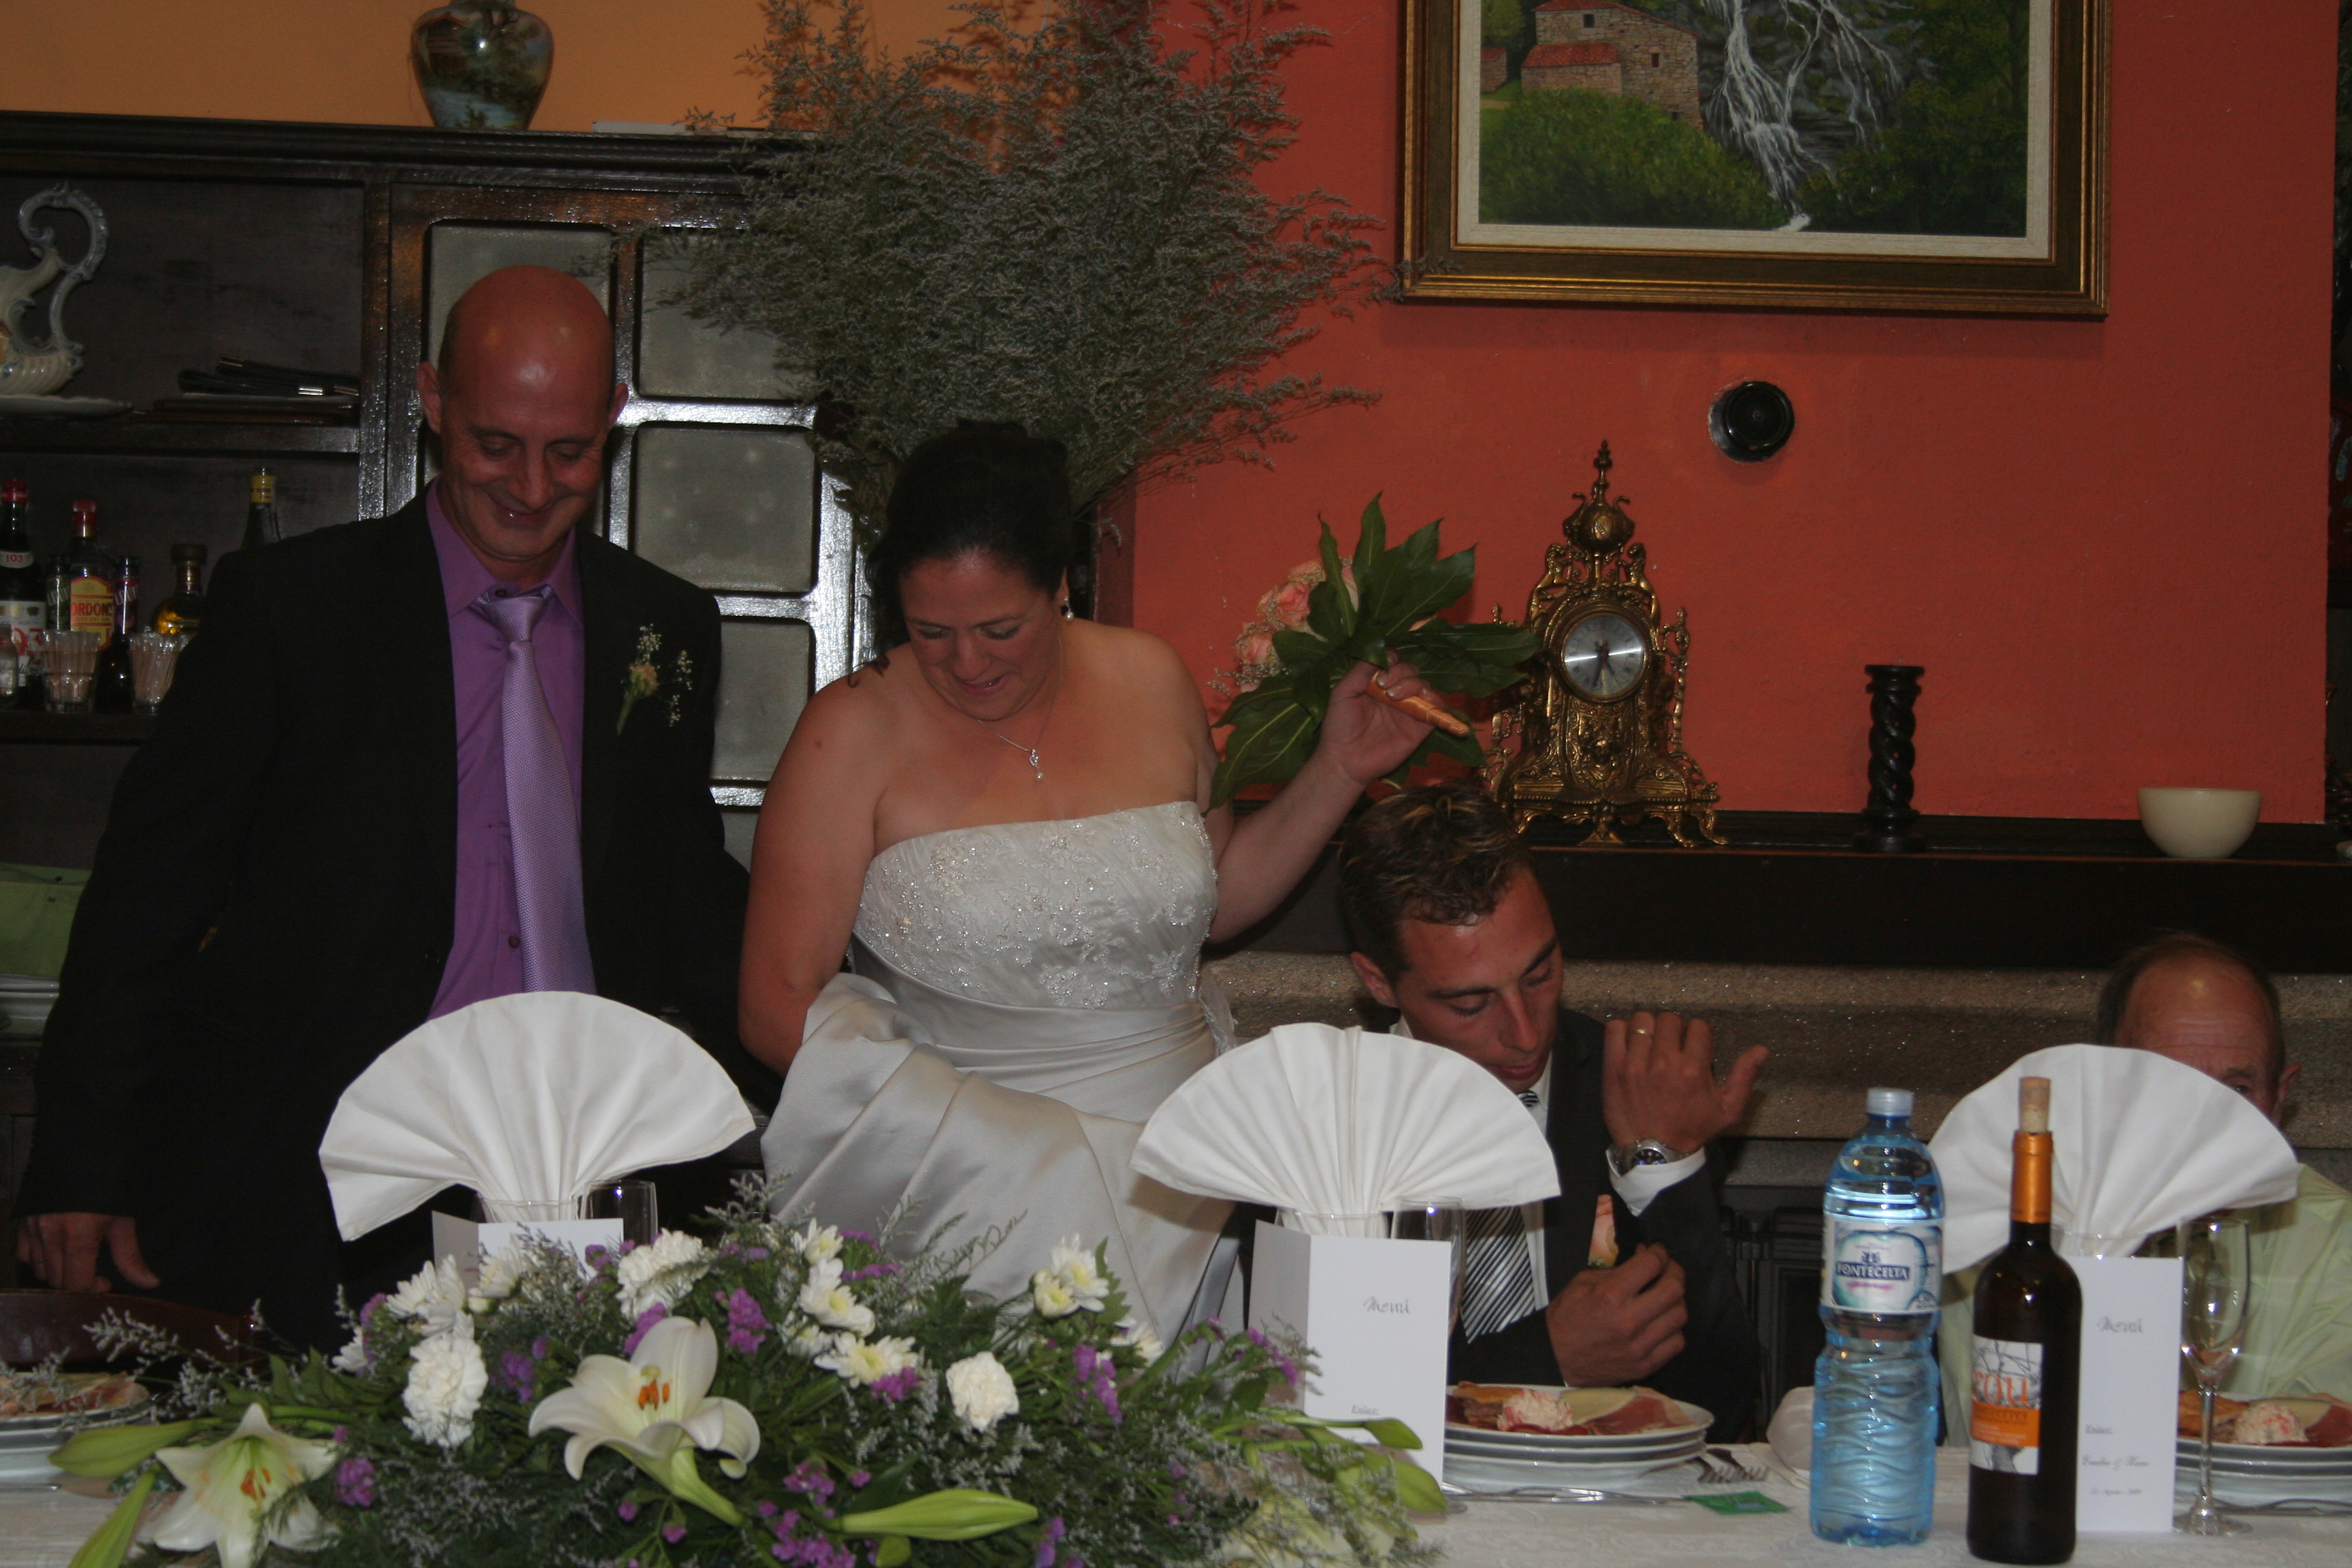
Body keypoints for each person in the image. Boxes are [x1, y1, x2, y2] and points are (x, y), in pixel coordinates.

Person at [14, 266, 757, 1348]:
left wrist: (840, 1052)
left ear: (613, 418)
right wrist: (81, 1161)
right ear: (434, 400)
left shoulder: (665, 627)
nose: (531, 486)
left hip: (580, 1175)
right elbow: (148, 895)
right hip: (323, 1172)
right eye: (496, 444)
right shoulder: (293, 609)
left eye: (569, 451)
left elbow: (683, 893)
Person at [745, 425, 1441, 1341]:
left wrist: (1338, 771)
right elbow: (775, 1002)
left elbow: (1217, 899)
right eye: (932, 633)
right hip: (965, 1185)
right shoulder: (849, 731)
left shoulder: (1150, 676)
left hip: (1181, 1184)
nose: (968, 663)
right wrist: (992, 1147)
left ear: (1062, 586)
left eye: (1001, 629)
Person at [1337, 783, 1767, 1438]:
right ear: (1378, 982)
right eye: (1470, 1004)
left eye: (1539, 976)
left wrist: (1667, 1169)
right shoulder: (1325, 1121)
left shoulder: (1629, 1087)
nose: (1525, 1033)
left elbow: (1724, 1407)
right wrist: (1544, 1358)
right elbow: (1333, 1401)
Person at [1938, 932, 2352, 1424]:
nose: (2203, 1128)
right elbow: (2001, 1431)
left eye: (2237, 1091)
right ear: (2104, 1089)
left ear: (2280, 1099)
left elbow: (2318, 1442)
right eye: (2165, 1085)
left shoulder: (2337, 1240)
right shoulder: (2001, 1228)